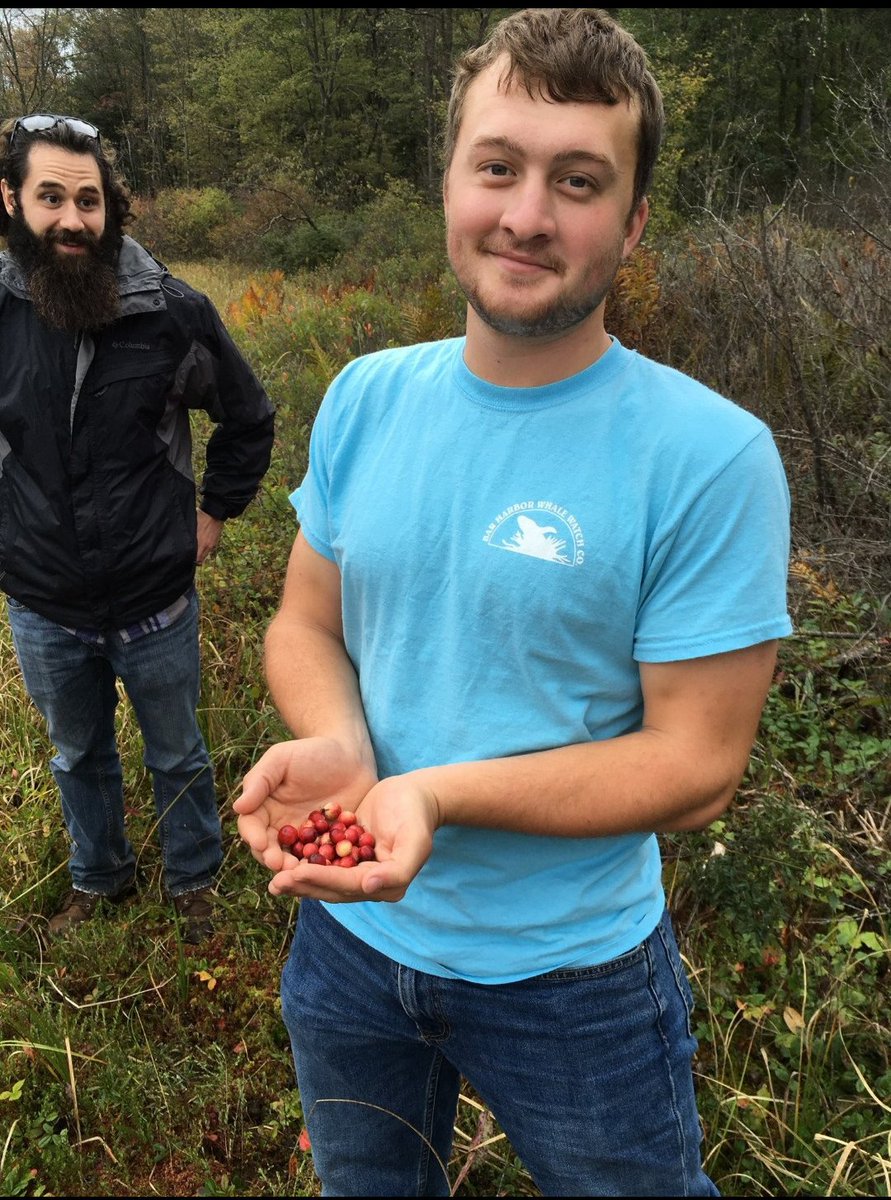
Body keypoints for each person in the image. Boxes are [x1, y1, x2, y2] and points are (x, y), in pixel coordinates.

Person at [234, 8, 792, 1196]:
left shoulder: (710, 455)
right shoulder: (367, 396)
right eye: (498, 166)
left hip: (572, 980)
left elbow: (697, 764)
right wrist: (341, 741)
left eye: (578, 181)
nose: (528, 215)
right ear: (450, 182)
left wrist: (432, 795)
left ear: (633, 221)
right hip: (348, 945)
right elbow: (306, 622)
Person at [0, 113, 275, 945]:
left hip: (154, 591)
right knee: (77, 754)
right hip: (43, 597)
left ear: (111, 208)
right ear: (11, 200)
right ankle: (99, 879)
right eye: (50, 197)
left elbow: (248, 417)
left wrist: (215, 514)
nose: (71, 219)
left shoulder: (170, 313)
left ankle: (194, 882)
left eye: (88, 200)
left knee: (178, 751)